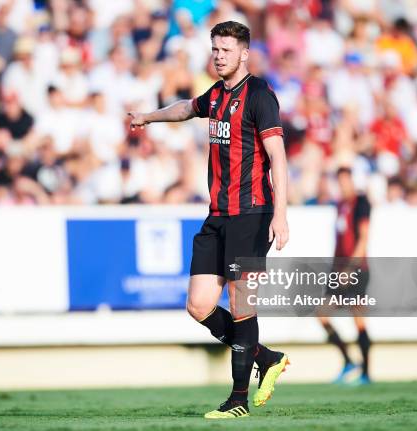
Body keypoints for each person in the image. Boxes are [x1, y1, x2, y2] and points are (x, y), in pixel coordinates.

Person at [128, 21, 290, 419]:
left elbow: (278, 157)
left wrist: (282, 214)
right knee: (199, 305)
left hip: (251, 214)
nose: (219, 55)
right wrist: (148, 117)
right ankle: (266, 357)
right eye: (215, 49)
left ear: (244, 54)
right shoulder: (216, 95)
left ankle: (238, 401)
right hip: (217, 216)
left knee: (240, 305)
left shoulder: (259, 95)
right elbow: (187, 108)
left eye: (227, 50)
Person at [318, 167, 372, 385]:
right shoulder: (340, 205)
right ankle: (349, 360)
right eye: (339, 182)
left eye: (345, 181)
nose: (342, 186)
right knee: (322, 313)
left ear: (352, 181)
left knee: (358, 319)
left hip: (357, 270)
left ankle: (367, 373)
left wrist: (351, 269)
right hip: (338, 271)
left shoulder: (361, 203)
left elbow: (364, 238)